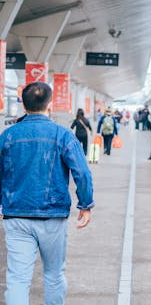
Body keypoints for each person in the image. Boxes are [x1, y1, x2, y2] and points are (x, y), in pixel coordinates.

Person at [0, 82, 94, 305]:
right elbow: (82, 172)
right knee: (53, 276)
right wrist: (85, 204)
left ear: (23, 105)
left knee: (17, 279)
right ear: (50, 105)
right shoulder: (63, 135)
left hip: (16, 216)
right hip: (52, 217)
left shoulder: (8, 135)